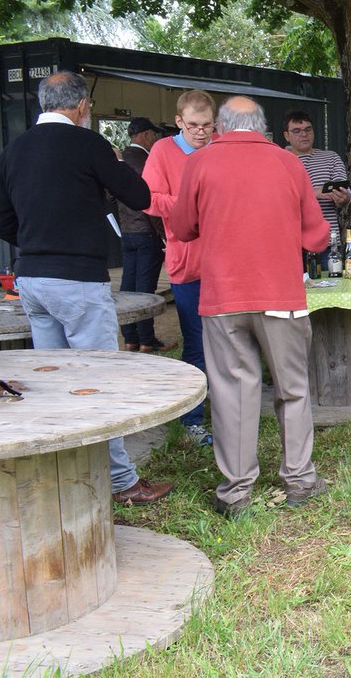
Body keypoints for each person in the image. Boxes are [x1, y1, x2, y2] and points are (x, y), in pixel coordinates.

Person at [0, 71, 173, 506]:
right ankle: (122, 482)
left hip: (32, 278)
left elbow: (0, 222)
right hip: (77, 279)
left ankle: (63, 475)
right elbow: (140, 196)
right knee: (98, 381)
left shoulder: (14, 150)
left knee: (52, 384)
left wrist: (38, 242)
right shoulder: (88, 144)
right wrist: (112, 162)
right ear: (81, 106)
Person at [171, 96, 332, 519]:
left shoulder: (199, 162)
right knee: (292, 388)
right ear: (262, 126)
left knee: (231, 392)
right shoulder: (289, 163)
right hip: (281, 296)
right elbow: (317, 237)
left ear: (220, 126)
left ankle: (236, 493)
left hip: (223, 297)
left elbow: (182, 227)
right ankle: (300, 481)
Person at [142, 89, 216, 447]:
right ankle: (192, 420)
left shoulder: (221, 148)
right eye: (193, 126)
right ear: (178, 122)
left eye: (207, 125)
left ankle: (230, 410)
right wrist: (190, 205)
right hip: (188, 263)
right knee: (196, 343)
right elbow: (149, 199)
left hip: (226, 263)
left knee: (232, 342)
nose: (201, 132)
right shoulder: (162, 151)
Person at [118, 117, 175, 354]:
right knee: (144, 289)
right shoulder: (145, 162)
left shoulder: (121, 160)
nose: (156, 139)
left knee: (127, 287)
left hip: (127, 230)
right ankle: (146, 340)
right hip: (146, 231)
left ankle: (130, 338)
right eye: (154, 134)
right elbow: (151, 201)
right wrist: (164, 234)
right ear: (145, 135)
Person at [283, 109, 351, 267]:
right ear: (286, 135)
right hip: (290, 244)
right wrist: (313, 193)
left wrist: (344, 198)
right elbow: (274, 199)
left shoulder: (331, 157)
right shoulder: (278, 160)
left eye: (308, 129)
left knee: (332, 283)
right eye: (297, 131)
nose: (304, 134)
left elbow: (345, 192)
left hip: (326, 243)